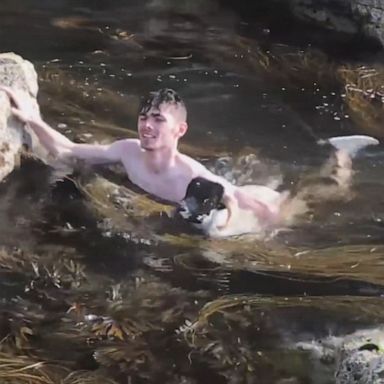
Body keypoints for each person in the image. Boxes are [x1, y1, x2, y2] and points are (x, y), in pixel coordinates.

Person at [0, 86, 277, 227]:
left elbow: (240, 200)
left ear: (180, 130)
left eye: (158, 119)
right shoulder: (127, 151)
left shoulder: (195, 178)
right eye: (143, 117)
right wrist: (32, 119)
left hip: (239, 199)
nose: (147, 125)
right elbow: (67, 150)